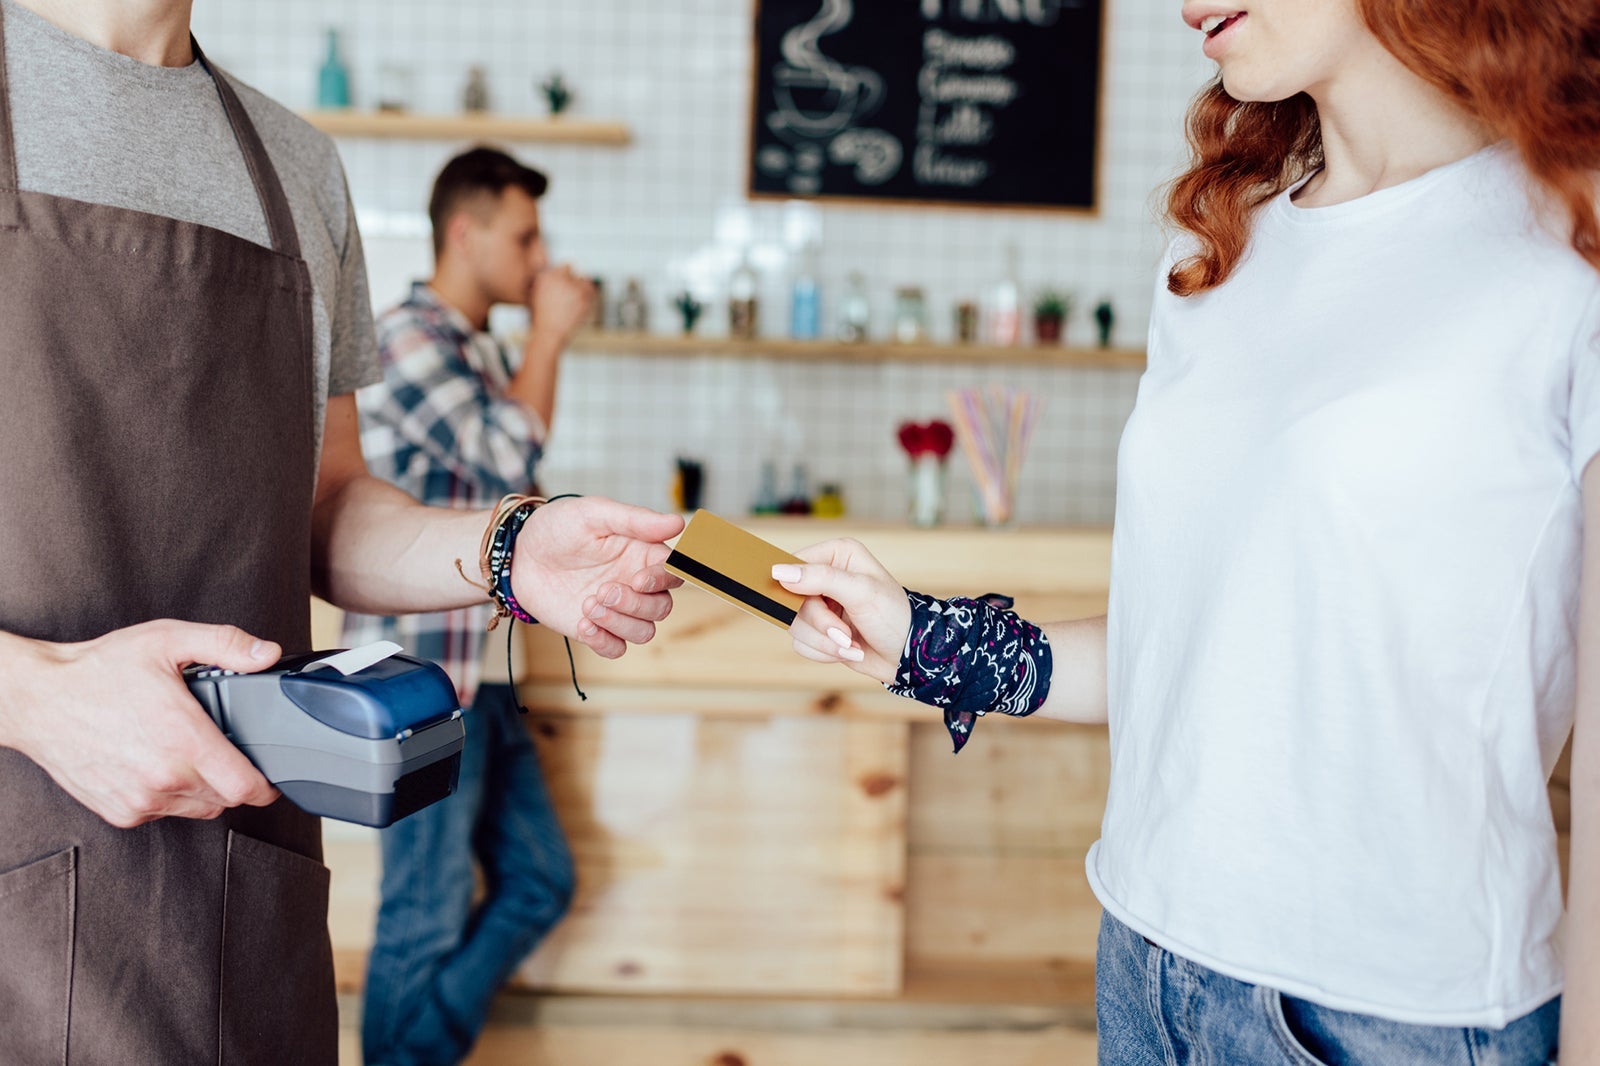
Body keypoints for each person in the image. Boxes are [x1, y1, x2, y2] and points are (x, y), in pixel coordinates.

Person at [772, 0, 1600, 1061]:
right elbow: (1189, 656)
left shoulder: (1569, 241)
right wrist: (925, 641)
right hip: (1146, 964)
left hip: (1392, 1017)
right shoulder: (1218, 248)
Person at [0, 1, 680, 1061]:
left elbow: (324, 507)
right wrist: (34, 695)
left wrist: (506, 547)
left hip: (235, 898)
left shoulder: (297, 168)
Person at [341, 146, 593, 1066]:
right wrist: (551, 337)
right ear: (465, 232)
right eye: (524, 237)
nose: (540, 257)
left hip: (479, 678)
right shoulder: (406, 337)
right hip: (419, 682)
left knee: (540, 880)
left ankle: (416, 1051)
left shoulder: (474, 348)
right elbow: (505, 455)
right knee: (423, 912)